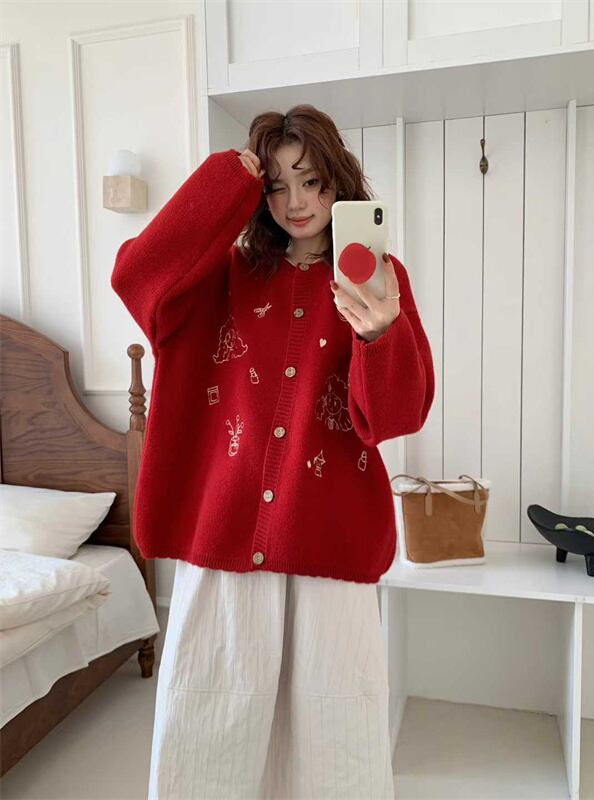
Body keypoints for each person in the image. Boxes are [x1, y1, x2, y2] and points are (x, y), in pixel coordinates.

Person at [110, 103, 435, 799]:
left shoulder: (376, 277)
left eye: (312, 181)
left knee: (334, 743)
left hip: (330, 545)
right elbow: (136, 277)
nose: (296, 203)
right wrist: (226, 178)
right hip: (223, 542)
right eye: (277, 185)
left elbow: (397, 416)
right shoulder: (221, 275)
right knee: (208, 732)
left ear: (339, 182)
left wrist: (380, 333)